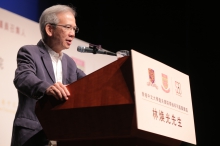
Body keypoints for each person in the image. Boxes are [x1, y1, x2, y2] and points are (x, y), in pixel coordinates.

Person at [11, 4, 86, 146]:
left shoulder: (70, 63)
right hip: (32, 135)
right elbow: (23, 78)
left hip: (62, 136)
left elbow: (89, 83)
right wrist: (47, 88)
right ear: (49, 29)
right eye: (68, 27)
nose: (72, 34)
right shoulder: (29, 52)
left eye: (74, 29)